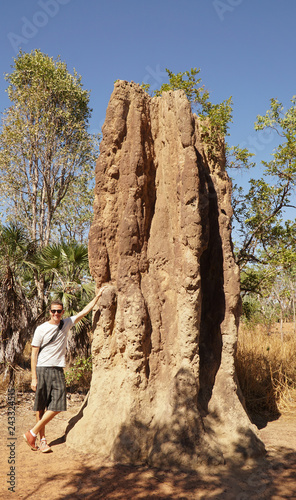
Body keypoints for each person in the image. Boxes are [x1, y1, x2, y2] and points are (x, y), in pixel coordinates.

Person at [23, 287, 105, 453]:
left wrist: (97, 296)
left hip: (58, 369)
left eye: (59, 311)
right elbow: (33, 354)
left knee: (58, 405)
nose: (56, 314)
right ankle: (42, 440)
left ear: (62, 312)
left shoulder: (66, 323)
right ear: (49, 312)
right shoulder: (41, 329)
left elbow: (84, 311)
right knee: (41, 405)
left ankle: (32, 432)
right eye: (53, 311)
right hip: (42, 369)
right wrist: (33, 377)